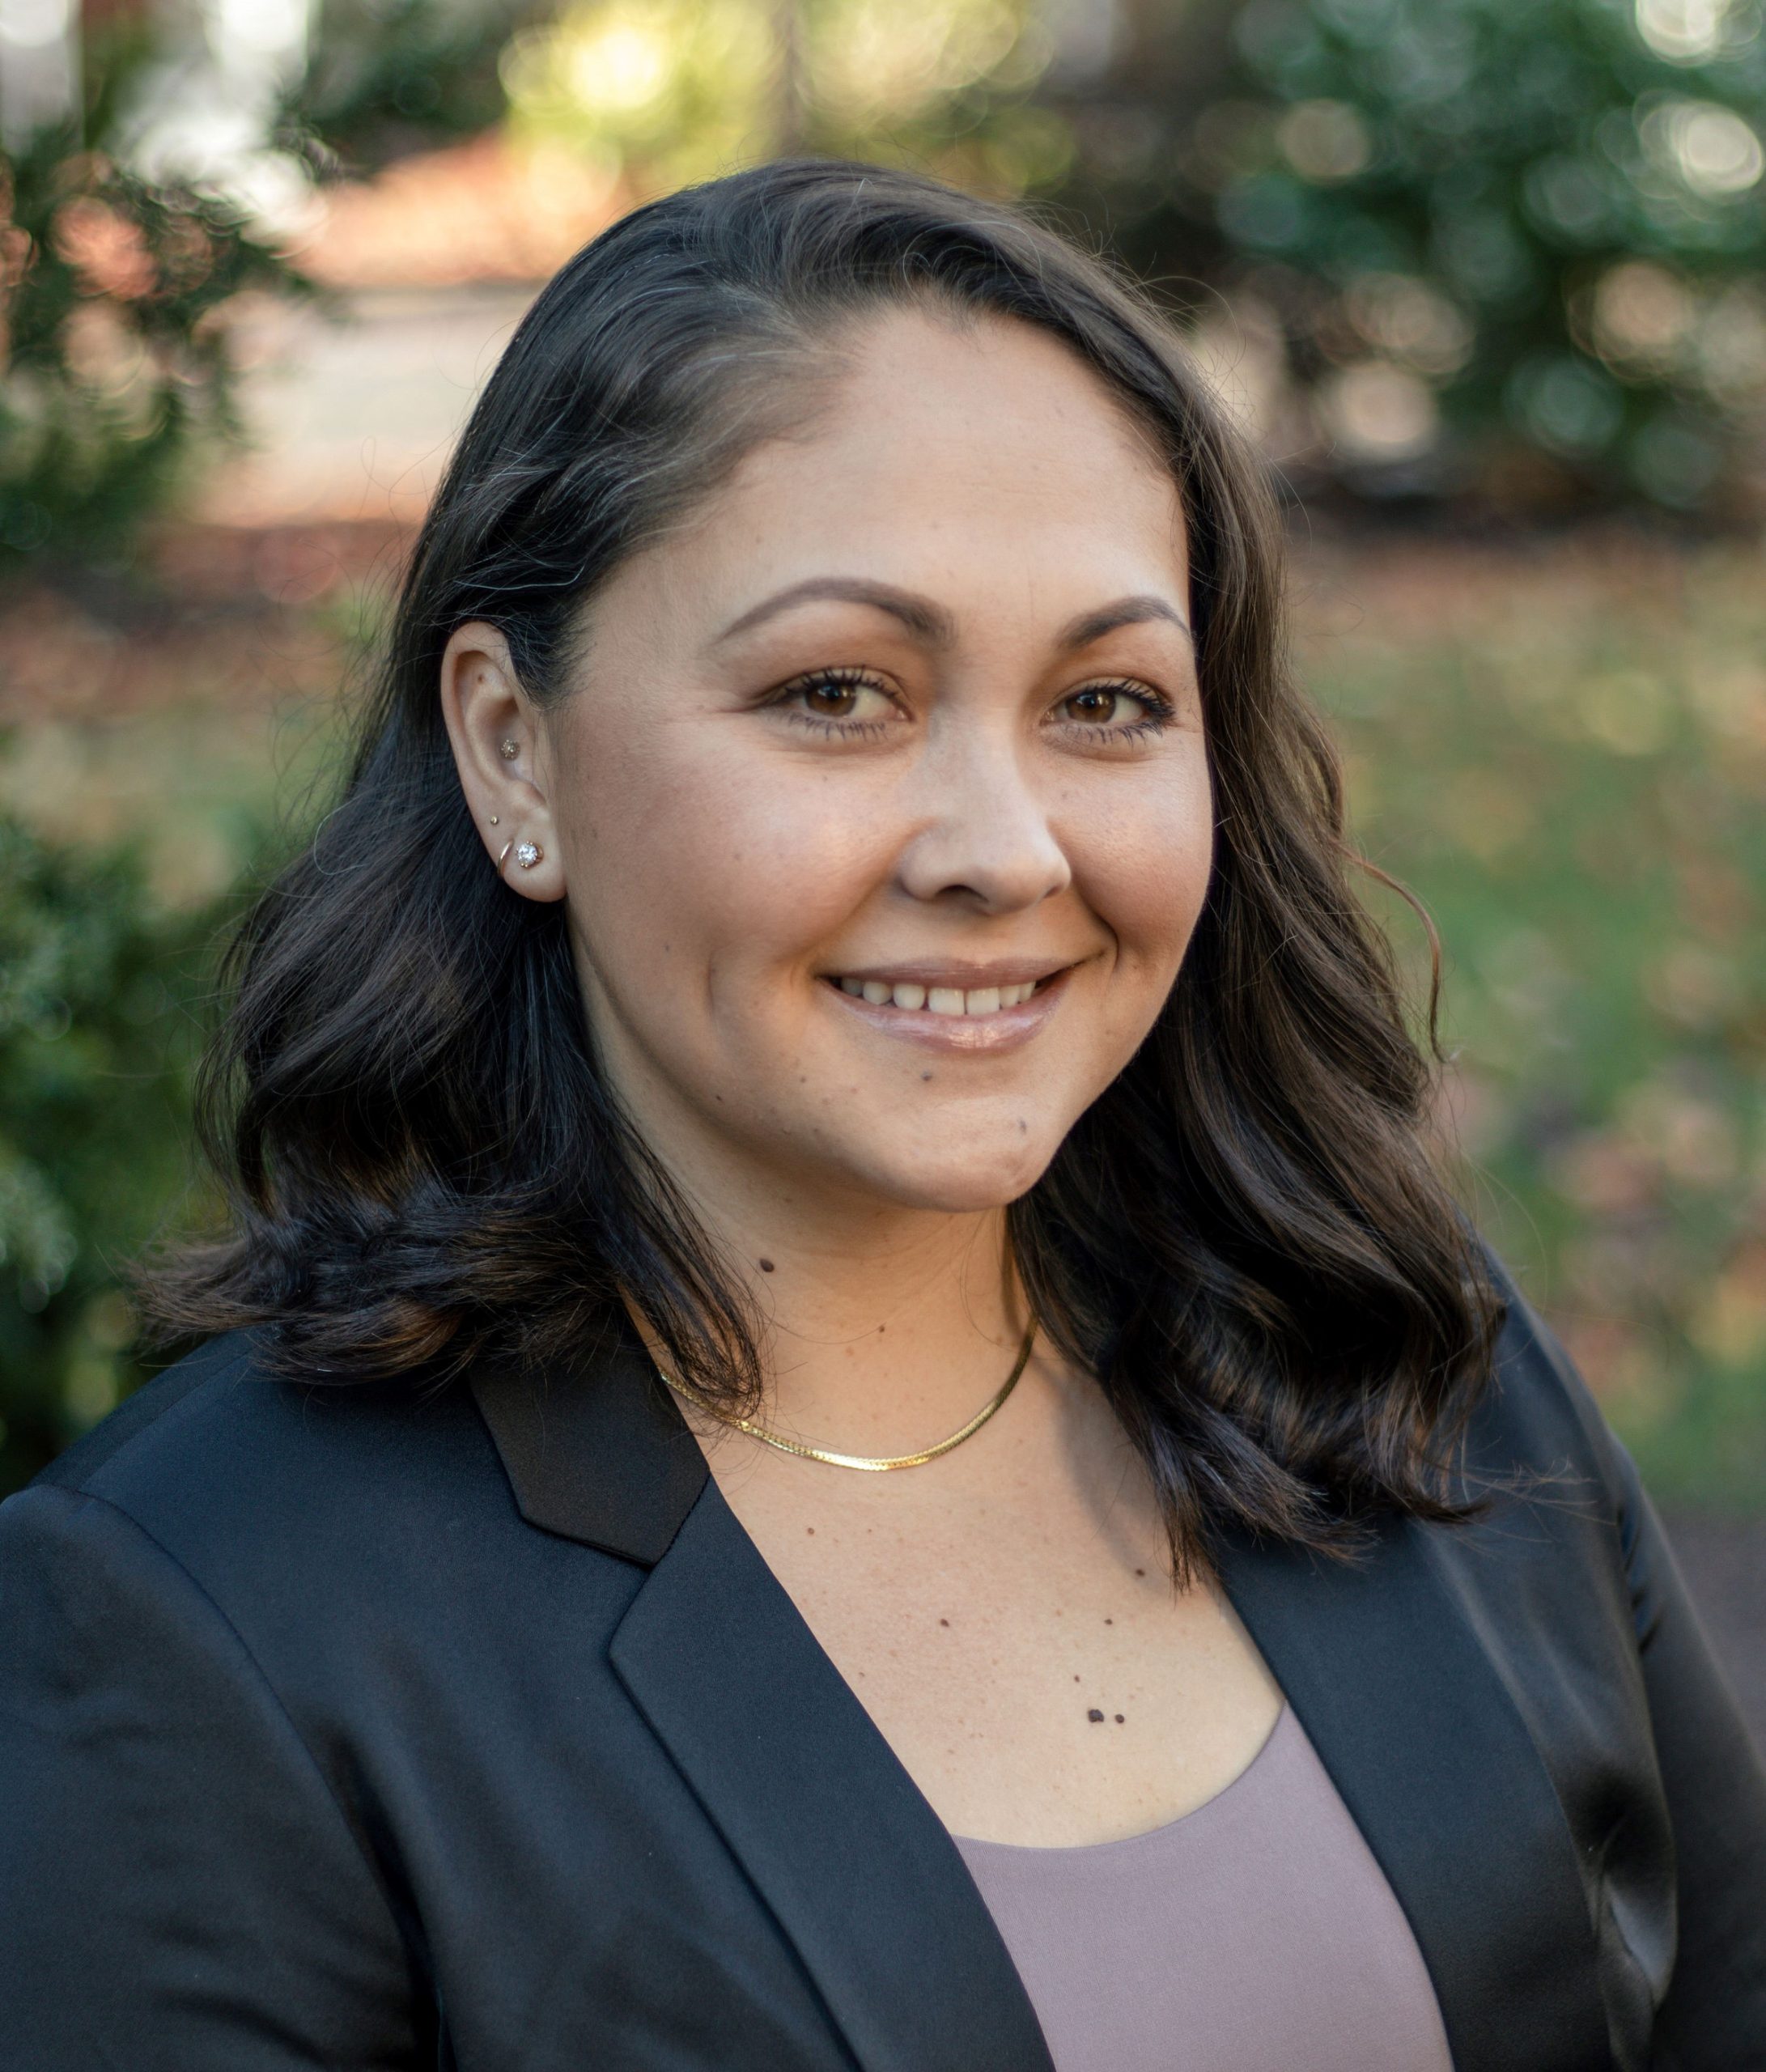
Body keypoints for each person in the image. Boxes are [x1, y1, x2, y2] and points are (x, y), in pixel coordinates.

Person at [1, 159, 1761, 2072]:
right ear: (514, 745)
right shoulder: (215, 1620)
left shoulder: (1411, 1364)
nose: (1004, 852)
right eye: (837, 691)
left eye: (1103, 701)